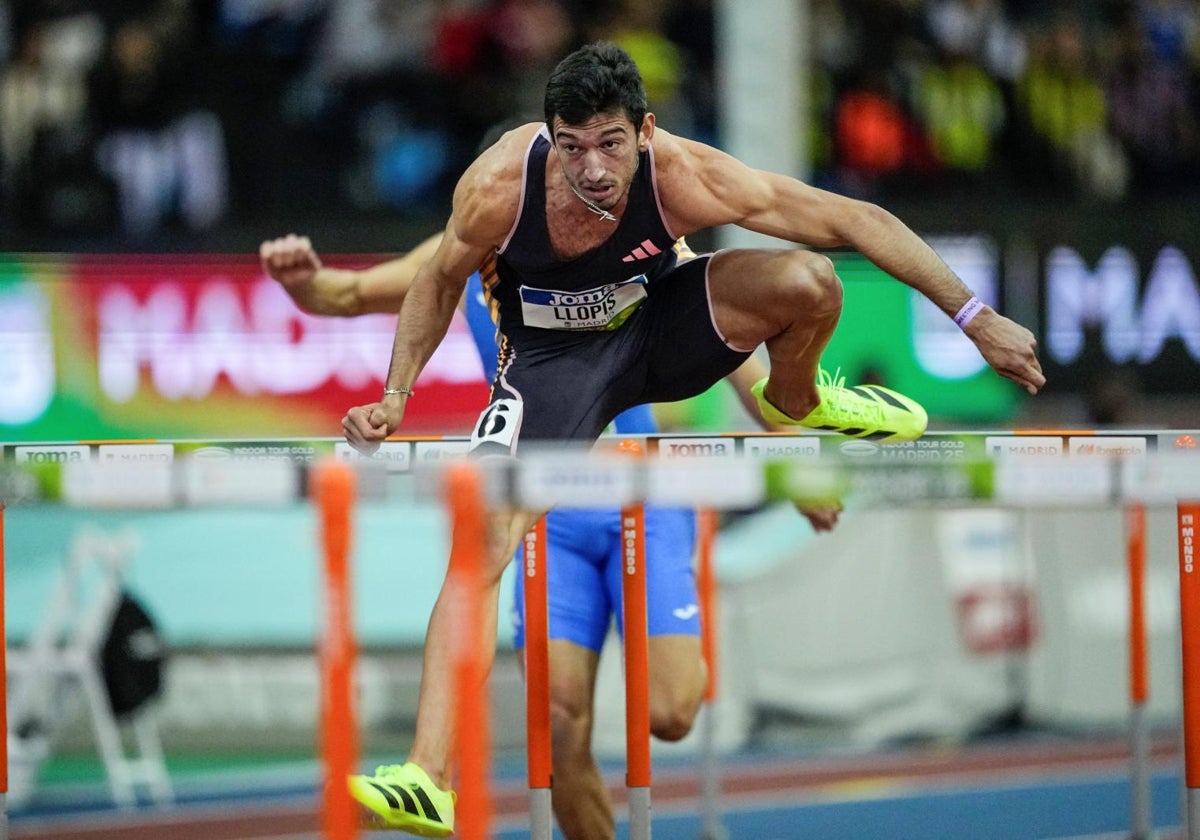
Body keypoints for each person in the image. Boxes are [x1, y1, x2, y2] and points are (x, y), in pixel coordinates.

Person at [339, 41, 1044, 836]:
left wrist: (975, 319)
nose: (593, 171)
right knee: (484, 532)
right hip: (552, 367)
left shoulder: (686, 174)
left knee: (808, 279)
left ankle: (799, 397)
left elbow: (854, 218)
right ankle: (429, 777)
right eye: (571, 148)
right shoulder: (501, 185)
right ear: (549, 136)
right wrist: (395, 396)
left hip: (661, 335)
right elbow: (434, 282)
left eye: (610, 145)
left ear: (645, 129)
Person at [260, 229, 839, 839]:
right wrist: (303, 281)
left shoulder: (634, 225)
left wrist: (791, 459)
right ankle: (431, 774)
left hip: (640, 501)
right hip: (546, 513)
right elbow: (349, 293)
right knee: (560, 724)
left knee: (670, 714)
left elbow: (736, 347)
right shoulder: (470, 244)